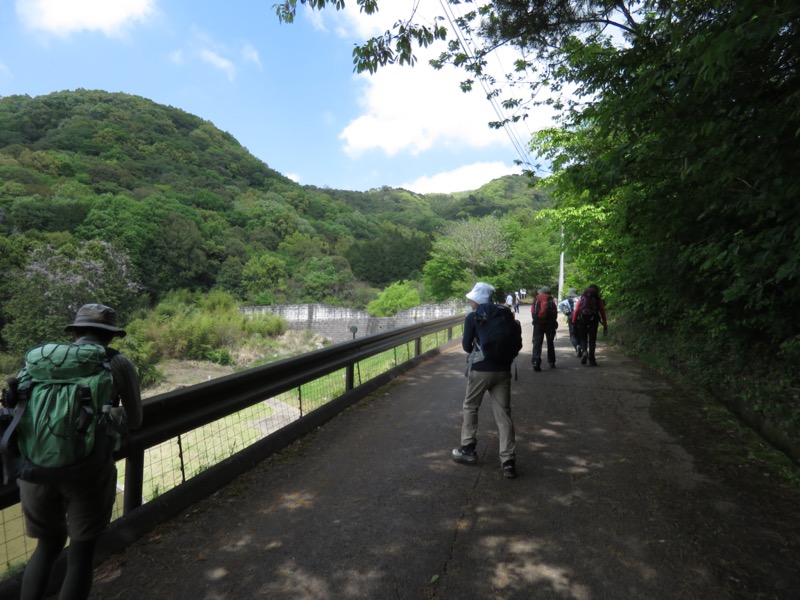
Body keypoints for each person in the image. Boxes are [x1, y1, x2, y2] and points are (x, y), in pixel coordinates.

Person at [18, 304, 143, 600]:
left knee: (47, 545)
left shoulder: (38, 361)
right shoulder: (118, 363)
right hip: (89, 470)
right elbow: (136, 420)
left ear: (73, 333)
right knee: (82, 552)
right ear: (110, 337)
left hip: (34, 469)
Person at [452, 282, 519, 479]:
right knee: (503, 415)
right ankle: (508, 461)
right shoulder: (505, 314)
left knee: (471, 407)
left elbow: (465, 346)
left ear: (477, 299)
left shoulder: (473, 317)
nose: (470, 301)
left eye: (471, 298)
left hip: (481, 370)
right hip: (503, 369)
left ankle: (468, 449)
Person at [572, 285, 608, 366]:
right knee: (592, 339)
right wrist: (605, 325)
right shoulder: (597, 298)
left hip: (582, 319)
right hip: (594, 319)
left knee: (583, 337)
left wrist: (574, 321)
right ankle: (592, 359)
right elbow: (602, 312)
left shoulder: (582, 297)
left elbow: (577, 309)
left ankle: (584, 352)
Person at [531, 286, 558, 371]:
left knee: (537, 343)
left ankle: (536, 362)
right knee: (550, 343)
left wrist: (536, 320)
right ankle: (551, 362)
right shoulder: (551, 301)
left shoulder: (536, 300)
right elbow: (555, 314)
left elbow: (532, 312)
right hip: (549, 325)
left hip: (538, 324)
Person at [557, 287, 581, 357]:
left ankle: (577, 347)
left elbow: (560, 305)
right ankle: (580, 347)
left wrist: (568, 313)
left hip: (572, 319)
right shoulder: (581, 299)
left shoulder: (567, 301)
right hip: (581, 319)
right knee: (580, 333)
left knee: (572, 335)